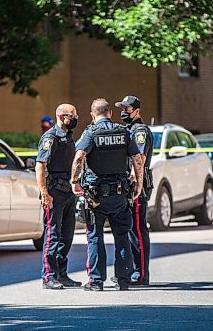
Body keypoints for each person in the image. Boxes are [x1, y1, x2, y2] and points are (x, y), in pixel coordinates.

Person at [70, 98, 144, 291]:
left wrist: (74, 182)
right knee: (122, 236)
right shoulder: (124, 131)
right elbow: (137, 159)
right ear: (110, 114)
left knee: (95, 237)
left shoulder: (91, 132)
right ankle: (123, 280)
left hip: (96, 198)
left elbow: (79, 157)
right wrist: (139, 185)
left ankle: (96, 281)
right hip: (120, 195)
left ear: (92, 115)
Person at [35, 103, 82, 290]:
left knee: (67, 236)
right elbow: (40, 166)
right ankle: (49, 276)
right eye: (73, 115)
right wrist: (44, 193)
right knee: (53, 235)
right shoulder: (50, 138)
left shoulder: (68, 137)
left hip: (69, 193)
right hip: (54, 193)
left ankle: (62, 274)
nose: (75, 118)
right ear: (62, 117)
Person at [115, 95, 154, 286]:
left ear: (137, 111)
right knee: (128, 230)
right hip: (126, 186)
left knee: (138, 230)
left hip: (137, 186)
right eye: (122, 108)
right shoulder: (127, 129)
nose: (123, 112)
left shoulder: (140, 130)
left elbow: (140, 158)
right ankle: (131, 269)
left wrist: (133, 181)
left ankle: (141, 273)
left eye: (127, 109)